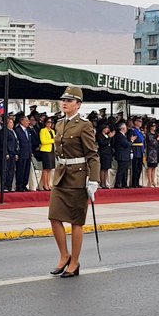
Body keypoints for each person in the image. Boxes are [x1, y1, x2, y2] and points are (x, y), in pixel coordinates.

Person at [48, 86, 100, 279]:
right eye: (64, 100)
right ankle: (64, 255)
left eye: (69, 100)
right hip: (61, 175)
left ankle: (75, 262)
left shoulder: (84, 125)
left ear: (78, 104)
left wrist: (93, 179)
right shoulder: (59, 123)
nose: (65, 103)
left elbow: (92, 154)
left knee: (76, 222)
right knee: (54, 217)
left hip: (78, 177)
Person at [15, 115, 34, 192]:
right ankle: (19, 186)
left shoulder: (28, 130)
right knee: (21, 170)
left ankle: (24, 185)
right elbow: (17, 142)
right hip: (21, 153)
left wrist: (30, 151)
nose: (28, 122)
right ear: (22, 121)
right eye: (26, 121)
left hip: (28, 153)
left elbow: (29, 142)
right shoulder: (17, 130)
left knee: (26, 170)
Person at [38, 116, 55, 191]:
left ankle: (48, 183)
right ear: (45, 123)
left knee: (50, 168)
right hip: (45, 151)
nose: (50, 124)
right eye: (48, 122)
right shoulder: (43, 130)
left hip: (51, 150)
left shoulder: (52, 131)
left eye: (51, 122)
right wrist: (52, 140)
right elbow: (43, 141)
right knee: (46, 168)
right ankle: (45, 184)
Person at [112, 121, 132, 188]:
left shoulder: (123, 135)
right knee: (121, 170)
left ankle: (124, 183)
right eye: (125, 128)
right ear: (122, 128)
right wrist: (131, 141)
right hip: (122, 155)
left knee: (125, 170)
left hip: (125, 155)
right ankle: (118, 183)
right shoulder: (119, 135)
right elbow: (126, 144)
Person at [128, 117, 145, 188]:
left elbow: (142, 141)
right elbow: (131, 140)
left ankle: (137, 182)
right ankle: (134, 183)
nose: (140, 123)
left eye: (141, 121)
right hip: (135, 150)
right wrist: (131, 151)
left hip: (140, 150)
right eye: (139, 121)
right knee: (135, 168)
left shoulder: (140, 131)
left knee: (139, 167)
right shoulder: (132, 130)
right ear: (135, 122)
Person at [144, 119, 159, 187]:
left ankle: (153, 181)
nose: (154, 127)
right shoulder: (148, 134)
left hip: (156, 152)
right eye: (153, 126)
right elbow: (152, 142)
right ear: (150, 127)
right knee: (150, 167)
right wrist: (158, 138)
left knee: (154, 167)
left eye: (155, 126)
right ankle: (150, 182)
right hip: (150, 152)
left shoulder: (156, 134)